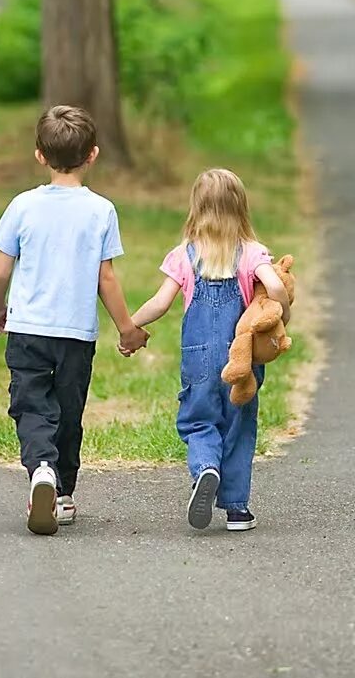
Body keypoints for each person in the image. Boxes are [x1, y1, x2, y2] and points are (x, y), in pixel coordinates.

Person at [0, 105, 149, 536]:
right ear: (93, 155)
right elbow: (106, 278)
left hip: (28, 331)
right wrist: (127, 328)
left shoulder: (23, 205)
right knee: (68, 410)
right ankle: (62, 493)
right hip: (76, 334)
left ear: (39, 155)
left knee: (31, 406)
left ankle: (41, 469)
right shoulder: (101, 210)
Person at [130, 168, 291, 531]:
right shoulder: (251, 253)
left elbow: (160, 302)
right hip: (242, 358)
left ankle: (206, 468)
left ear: (195, 210)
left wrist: (132, 326)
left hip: (199, 356)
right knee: (239, 424)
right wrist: (279, 306)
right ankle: (237, 510)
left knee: (199, 419)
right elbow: (275, 288)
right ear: (241, 209)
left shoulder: (184, 256)